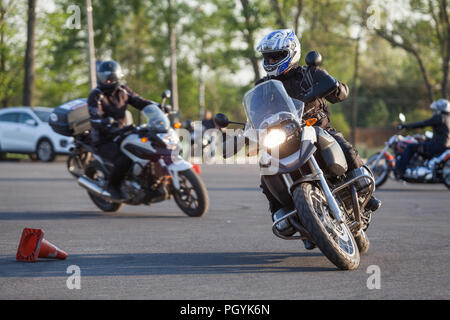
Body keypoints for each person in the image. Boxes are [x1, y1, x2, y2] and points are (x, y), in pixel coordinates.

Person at [253, 30, 381, 248]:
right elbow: (255, 115)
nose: (272, 60)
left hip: (314, 129)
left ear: (291, 52)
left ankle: (360, 181)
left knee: (341, 144)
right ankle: (283, 214)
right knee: (266, 167)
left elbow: (339, 92)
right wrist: (245, 132)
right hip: (283, 139)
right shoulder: (263, 87)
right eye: (269, 57)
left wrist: (335, 87)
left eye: (277, 55)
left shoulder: (309, 73)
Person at [87, 60, 161, 199]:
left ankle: (150, 183)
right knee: (124, 160)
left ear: (117, 77)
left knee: (148, 149)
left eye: (110, 77)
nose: (107, 81)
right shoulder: (96, 95)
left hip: (123, 132)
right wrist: (104, 122)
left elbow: (140, 101)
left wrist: (158, 107)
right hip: (103, 138)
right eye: (104, 77)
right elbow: (95, 117)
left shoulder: (123, 90)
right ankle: (113, 186)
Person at [395, 99, 450, 177]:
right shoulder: (448, 119)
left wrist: (405, 126)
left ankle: (400, 171)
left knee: (410, 147)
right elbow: (443, 135)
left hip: (436, 147)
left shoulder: (440, 118)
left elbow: (423, 123)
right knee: (421, 144)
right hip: (444, 146)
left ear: (440, 109)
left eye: (436, 109)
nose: (434, 112)